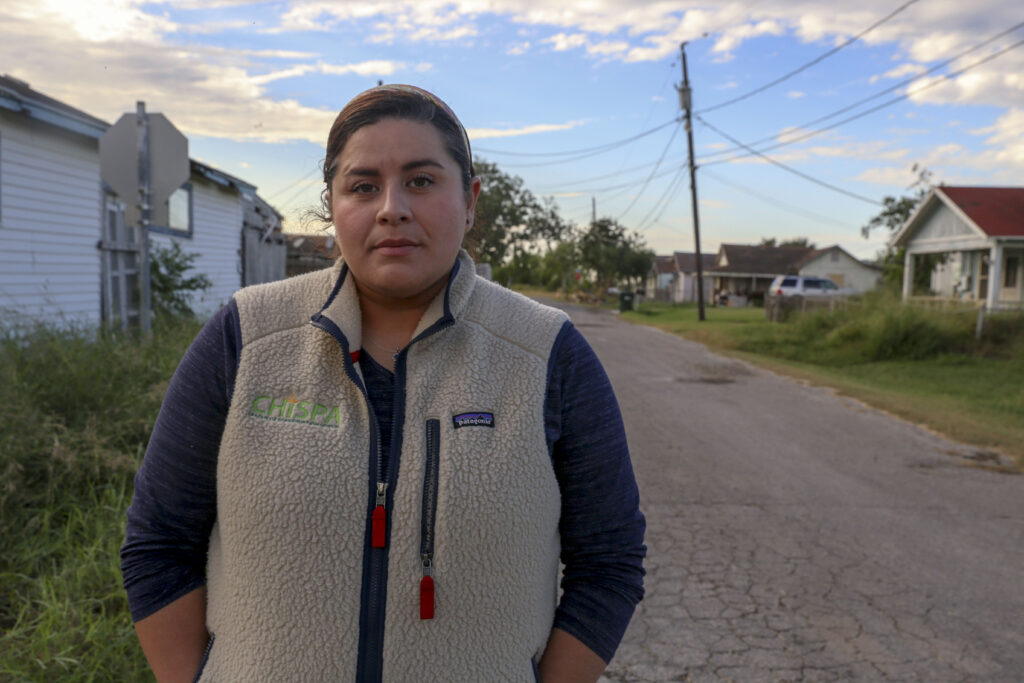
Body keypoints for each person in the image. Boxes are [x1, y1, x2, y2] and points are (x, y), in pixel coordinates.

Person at [120, 84, 645, 682]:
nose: (391, 208)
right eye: (363, 186)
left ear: (470, 200)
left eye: (421, 180)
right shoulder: (245, 337)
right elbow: (159, 544)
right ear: (332, 204)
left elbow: (609, 563)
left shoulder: (547, 353)